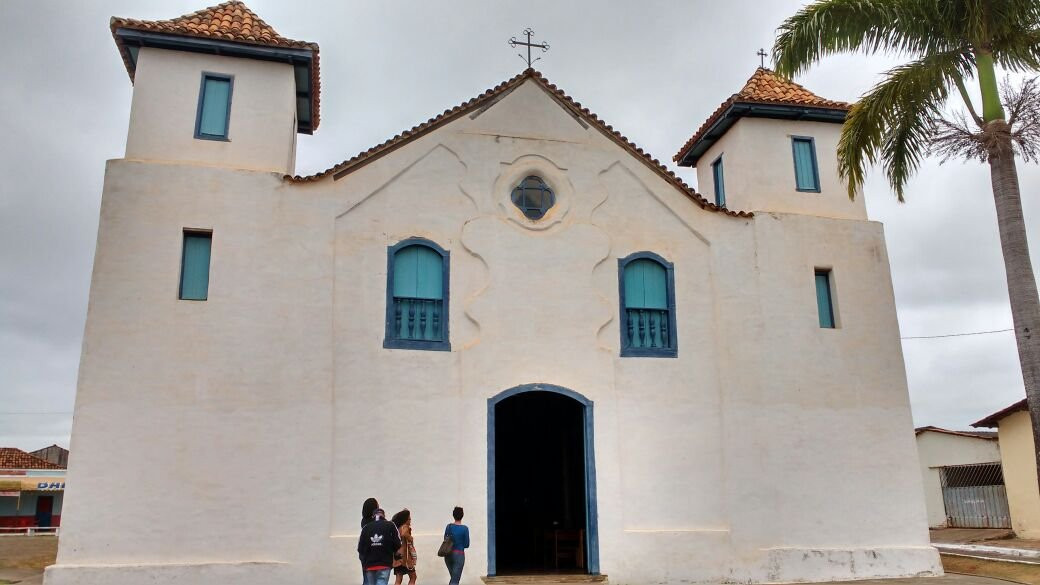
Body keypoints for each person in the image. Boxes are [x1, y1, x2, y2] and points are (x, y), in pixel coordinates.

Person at [358, 508, 402, 585]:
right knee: (382, 582)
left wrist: (365, 560)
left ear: (373, 516)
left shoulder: (366, 527)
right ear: (384, 516)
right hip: (384, 563)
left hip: (369, 564)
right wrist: (396, 556)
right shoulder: (390, 525)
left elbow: (360, 548)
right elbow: (398, 543)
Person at [443, 506, 469, 585]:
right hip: (459, 555)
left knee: (454, 579)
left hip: (448, 555)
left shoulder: (449, 526)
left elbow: (445, 540)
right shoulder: (465, 529)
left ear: (453, 515)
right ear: (462, 515)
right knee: (455, 581)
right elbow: (467, 544)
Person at [391, 509, 417, 585]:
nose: (410, 521)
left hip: (397, 557)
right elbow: (404, 534)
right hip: (405, 558)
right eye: (409, 519)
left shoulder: (397, 528)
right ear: (405, 520)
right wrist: (410, 538)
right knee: (413, 577)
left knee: (398, 579)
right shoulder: (405, 526)